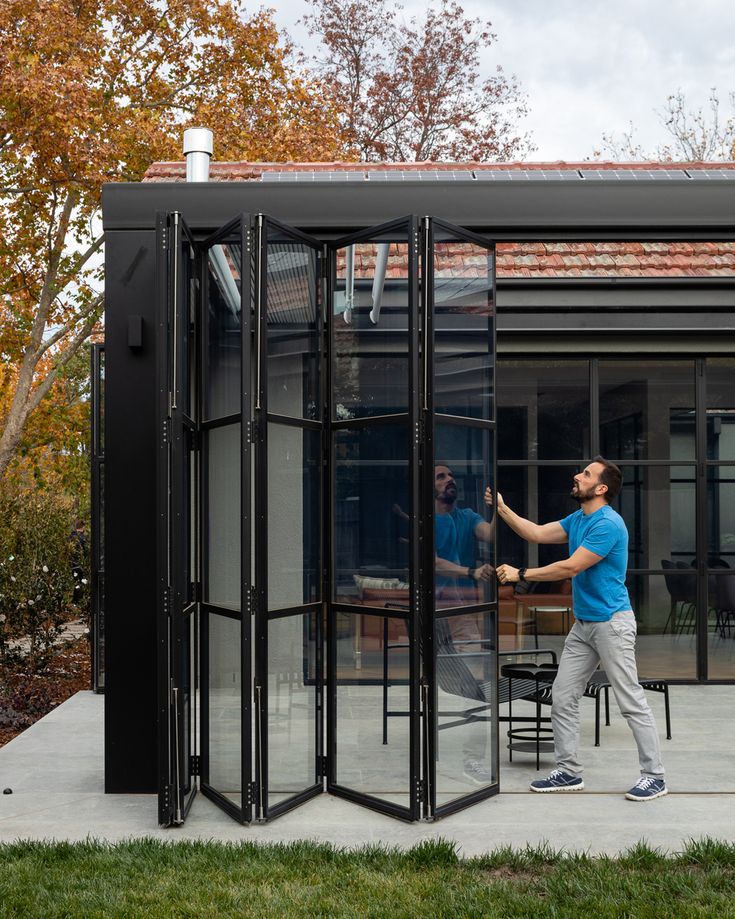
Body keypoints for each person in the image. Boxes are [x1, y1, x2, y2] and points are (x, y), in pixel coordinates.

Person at [491, 457, 667, 802]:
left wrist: (520, 574)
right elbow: (538, 533)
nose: (577, 475)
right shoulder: (578, 518)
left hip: (612, 625)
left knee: (630, 700)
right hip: (584, 625)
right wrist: (502, 508)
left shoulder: (608, 525)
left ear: (601, 488)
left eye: (585, 474)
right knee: (563, 696)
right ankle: (569, 771)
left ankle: (655, 775)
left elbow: (571, 567)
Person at [432, 464, 495, 786]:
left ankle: (473, 759)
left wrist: (498, 510)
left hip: (459, 608)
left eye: (451, 476)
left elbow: (491, 533)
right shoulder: (424, 520)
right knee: (431, 680)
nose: (449, 480)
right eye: (441, 477)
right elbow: (430, 561)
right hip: (428, 608)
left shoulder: (467, 516)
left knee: (476, 681)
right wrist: (471, 572)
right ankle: (427, 754)